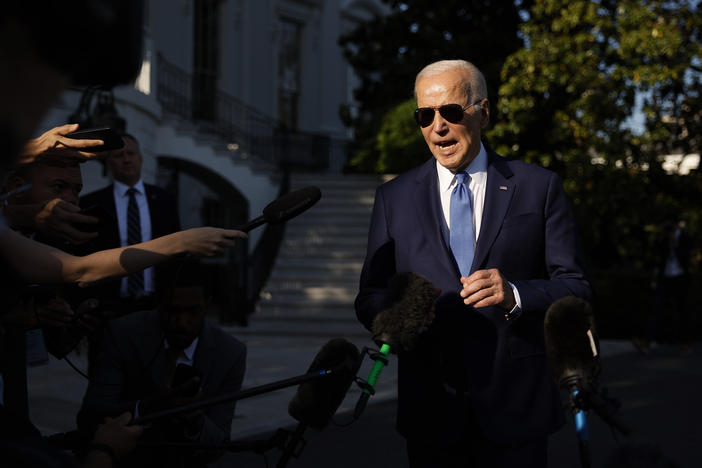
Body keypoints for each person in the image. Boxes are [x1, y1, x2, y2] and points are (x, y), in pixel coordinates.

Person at [355, 60, 592, 468]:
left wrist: (515, 294)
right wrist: (399, 316)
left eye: (450, 112)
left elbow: (576, 287)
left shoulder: (539, 187)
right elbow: (369, 296)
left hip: (516, 411)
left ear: (483, 112)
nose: (437, 126)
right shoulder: (393, 198)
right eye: (425, 116)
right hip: (432, 411)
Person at [77, 260, 246, 468]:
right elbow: (90, 418)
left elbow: (218, 444)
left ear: (207, 305)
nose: (182, 322)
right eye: (173, 311)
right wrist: (151, 406)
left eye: (193, 312)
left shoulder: (230, 353)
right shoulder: (122, 334)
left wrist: (194, 419)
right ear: (158, 302)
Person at [80, 133, 181, 313]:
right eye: (119, 156)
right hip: (110, 304)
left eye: (131, 154)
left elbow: (176, 249)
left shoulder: (165, 200)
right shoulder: (92, 203)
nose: (126, 160)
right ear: (109, 164)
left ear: (141, 158)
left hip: (157, 303)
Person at [633, 220, 694, 356]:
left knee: (682, 311)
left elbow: (687, 256)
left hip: (680, 278)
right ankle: (646, 341)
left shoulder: (684, 237)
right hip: (665, 278)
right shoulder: (663, 239)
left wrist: (675, 243)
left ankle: (685, 343)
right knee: (656, 308)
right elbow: (656, 254)